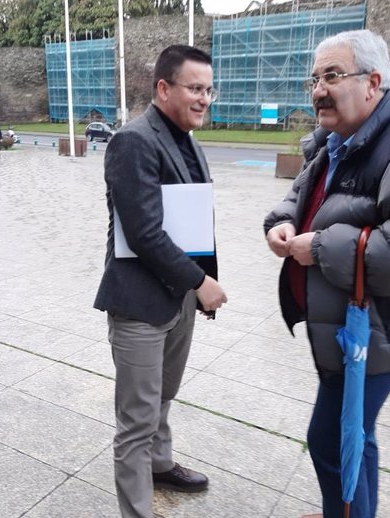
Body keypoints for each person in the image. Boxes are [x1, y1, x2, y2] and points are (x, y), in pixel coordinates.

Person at [263, 30, 390, 518]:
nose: (318, 89)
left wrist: (321, 246)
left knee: (333, 441)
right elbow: (300, 194)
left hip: (382, 330)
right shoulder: (334, 140)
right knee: (354, 432)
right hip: (350, 330)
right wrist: (283, 222)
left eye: (332, 76)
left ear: (373, 83)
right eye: (314, 78)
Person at [94, 45, 227, 518]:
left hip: (182, 300)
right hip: (140, 305)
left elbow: (193, 223)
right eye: (195, 88)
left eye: (209, 89)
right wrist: (200, 281)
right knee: (136, 419)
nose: (204, 98)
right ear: (164, 88)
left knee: (163, 395)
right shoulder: (134, 141)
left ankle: (161, 463)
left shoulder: (188, 140)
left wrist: (202, 285)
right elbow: (145, 232)